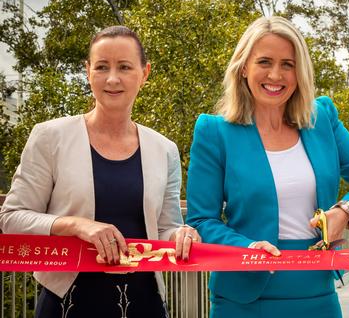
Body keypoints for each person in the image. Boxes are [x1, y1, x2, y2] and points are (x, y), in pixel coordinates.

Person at [185, 16, 349, 317]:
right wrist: (249, 248)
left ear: (299, 72)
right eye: (264, 62)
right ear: (244, 67)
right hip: (243, 298)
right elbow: (202, 220)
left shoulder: (321, 118)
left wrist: (345, 211)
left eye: (288, 64)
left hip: (316, 291)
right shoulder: (214, 131)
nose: (276, 75)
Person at [0, 26, 200, 318]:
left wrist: (182, 235)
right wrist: (78, 226)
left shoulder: (164, 149)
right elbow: (12, 218)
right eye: (102, 67)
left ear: (145, 73)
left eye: (125, 67)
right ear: (88, 71)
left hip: (145, 303)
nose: (113, 78)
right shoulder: (49, 137)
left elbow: (166, 227)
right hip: (66, 303)